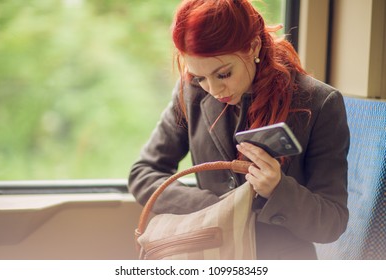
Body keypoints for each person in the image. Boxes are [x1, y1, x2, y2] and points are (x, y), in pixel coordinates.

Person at [128, 0, 350, 260]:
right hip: (209, 255)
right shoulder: (190, 92)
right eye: (200, 77)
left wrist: (278, 189)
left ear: (253, 46)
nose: (213, 89)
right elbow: (143, 174)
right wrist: (216, 208)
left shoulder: (320, 103)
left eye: (223, 74)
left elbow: (332, 222)